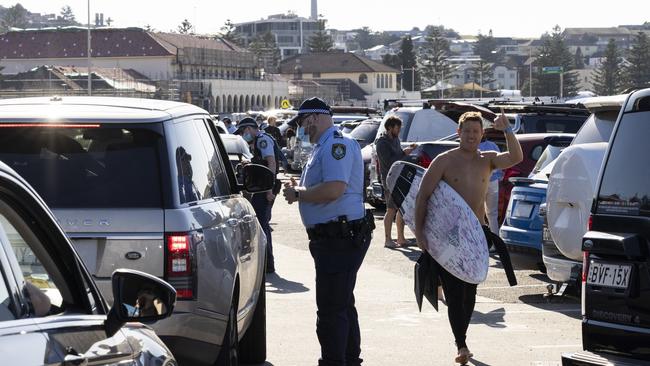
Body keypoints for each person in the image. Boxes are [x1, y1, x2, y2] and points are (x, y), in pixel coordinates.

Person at [414, 111, 522, 364]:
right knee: (454, 291)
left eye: (476, 131)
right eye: (467, 131)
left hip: (477, 234)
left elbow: (517, 157)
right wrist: (420, 234)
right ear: (459, 133)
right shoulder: (444, 161)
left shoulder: (488, 159)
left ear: (482, 134)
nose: (471, 136)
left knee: (470, 290)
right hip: (449, 236)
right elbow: (422, 197)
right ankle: (461, 343)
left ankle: (462, 338)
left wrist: (508, 130)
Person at [282, 97, 374, 366]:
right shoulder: (323, 146)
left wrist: (299, 194)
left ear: (314, 118)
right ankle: (348, 358)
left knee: (331, 310)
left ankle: (335, 361)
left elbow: (334, 189)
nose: (301, 128)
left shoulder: (336, 145)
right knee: (342, 304)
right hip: (334, 236)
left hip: (338, 237)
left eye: (302, 122)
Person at [235, 117, 279, 273]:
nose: (242, 135)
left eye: (242, 132)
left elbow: (271, 163)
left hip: (265, 188)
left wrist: (269, 189)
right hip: (261, 187)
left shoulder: (262, 140)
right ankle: (266, 262)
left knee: (262, 225)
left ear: (248, 129)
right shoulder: (257, 141)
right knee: (260, 223)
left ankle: (268, 263)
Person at [374, 115, 416, 248]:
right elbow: (390, 161)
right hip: (389, 179)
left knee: (401, 209)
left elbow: (399, 157)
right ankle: (388, 240)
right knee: (391, 209)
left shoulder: (396, 139)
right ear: (390, 127)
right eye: (397, 128)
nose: (399, 130)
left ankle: (401, 238)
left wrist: (407, 152)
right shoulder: (381, 143)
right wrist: (405, 152)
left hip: (399, 177)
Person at [479, 137, 503, 235]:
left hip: (479, 182)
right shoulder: (493, 146)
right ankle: (495, 240)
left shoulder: (473, 147)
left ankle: (482, 240)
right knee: (492, 213)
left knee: (478, 213)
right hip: (493, 182)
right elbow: (500, 164)